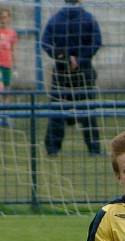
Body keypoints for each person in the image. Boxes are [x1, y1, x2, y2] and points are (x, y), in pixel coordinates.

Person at [41, 0, 102, 156]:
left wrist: (63, 57)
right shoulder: (88, 18)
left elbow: (45, 43)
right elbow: (96, 42)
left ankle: (52, 149)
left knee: (57, 109)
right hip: (84, 71)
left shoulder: (55, 19)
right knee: (87, 109)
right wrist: (79, 59)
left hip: (61, 71)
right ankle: (94, 149)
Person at [0, 7, 17, 127]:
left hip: (8, 65)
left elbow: (13, 50)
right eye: (1, 17)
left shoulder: (12, 33)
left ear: (9, 18)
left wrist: (15, 67)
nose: (3, 19)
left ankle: (6, 116)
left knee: (7, 91)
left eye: (5, 17)